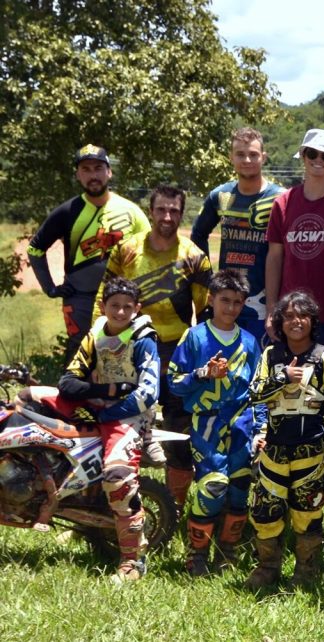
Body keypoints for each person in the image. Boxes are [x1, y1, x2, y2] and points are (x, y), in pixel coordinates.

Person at [98, 184, 212, 498]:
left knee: (179, 436)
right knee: (121, 432)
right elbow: (103, 297)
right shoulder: (126, 249)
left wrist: (200, 359)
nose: (167, 216)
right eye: (161, 209)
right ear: (151, 211)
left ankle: (173, 508)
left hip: (177, 354)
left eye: (174, 210)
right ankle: (117, 505)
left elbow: (206, 312)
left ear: (181, 213)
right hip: (130, 353)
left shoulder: (194, 256)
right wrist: (100, 344)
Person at [54, 276, 160, 583]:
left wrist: (110, 408)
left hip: (130, 416)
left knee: (116, 477)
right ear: (104, 306)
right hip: (98, 409)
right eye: (114, 306)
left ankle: (133, 561)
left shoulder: (143, 339)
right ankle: (77, 522)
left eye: (128, 307)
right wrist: (109, 390)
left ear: (137, 309)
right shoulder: (95, 333)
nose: (120, 312)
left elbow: (149, 392)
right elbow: (68, 381)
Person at [167, 269, 262, 576]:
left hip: (241, 423)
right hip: (206, 423)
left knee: (239, 487)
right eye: (225, 300)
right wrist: (201, 375)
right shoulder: (195, 337)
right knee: (213, 486)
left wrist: (260, 427)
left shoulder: (249, 342)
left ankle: (228, 550)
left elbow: (258, 389)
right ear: (211, 299)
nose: (231, 308)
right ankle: (197, 554)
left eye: (237, 302)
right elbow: (173, 382)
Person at [245, 290, 324, 589]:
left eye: (302, 316)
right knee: (265, 510)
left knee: (308, 511)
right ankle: (267, 566)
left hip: (312, 452)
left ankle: (306, 570)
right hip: (274, 449)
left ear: (313, 321)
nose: (295, 322)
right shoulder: (270, 355)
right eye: (288, 317)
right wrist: (282, 378)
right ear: (279, 322)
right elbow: (254, 395)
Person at [27, 144, 150, 364]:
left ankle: (117, 398)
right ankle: (73, 397)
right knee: (79, 356)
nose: (93, 175)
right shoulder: (66, 212)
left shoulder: (131, 211)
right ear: (77, 175)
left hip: (122, 300)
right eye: (86, 169)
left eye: (98, 168)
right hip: (80, 299)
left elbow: (151, 251)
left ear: (109, 172)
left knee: (123, 355)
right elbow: (35, 249)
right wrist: (50, 288)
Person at [265, 128, 324, 346]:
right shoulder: (283, 203)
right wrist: (272, 309)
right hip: (290, 316)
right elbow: (274, 258)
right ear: (303, 155)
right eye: (312, 153)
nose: (318, 160)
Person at [191, 127, 285, 347]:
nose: (247, 160)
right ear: (231, 157)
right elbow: (198, 235)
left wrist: (274, 304)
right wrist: (209, 281)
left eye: (253, 154)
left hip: (263, 303)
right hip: (226, 302)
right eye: (240, 154)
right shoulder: (220, 195)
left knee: (258, 370)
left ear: (264, 156)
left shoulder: (280, 198)